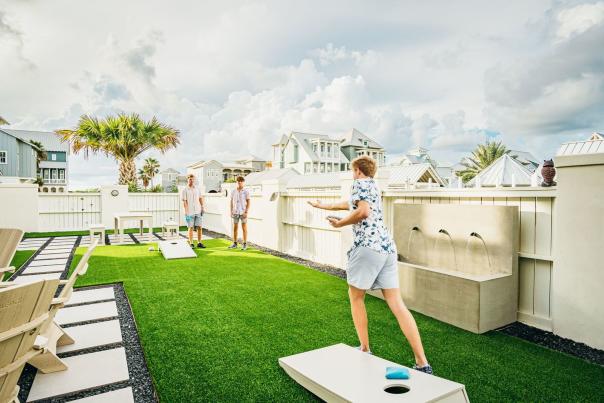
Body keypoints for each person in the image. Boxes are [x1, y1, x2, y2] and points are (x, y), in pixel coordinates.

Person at [307, 156, 432, 374]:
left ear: (357, 170)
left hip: (367, 248)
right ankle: (423, 363)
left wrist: (340, 223)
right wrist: (321, 205)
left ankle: (364, 348)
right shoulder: (374, 185)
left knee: (356, 297)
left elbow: (362, 212)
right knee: (397, 303)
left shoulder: (359, 183)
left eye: (352, 170)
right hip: (387, 249)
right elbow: (350, 204)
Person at [182, 174, 206, 248]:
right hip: (190, 212)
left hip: (198, 211)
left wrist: (202, 207)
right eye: (190, 179)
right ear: (188, 180)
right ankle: (191, 243)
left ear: (194, 180)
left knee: (199, 227)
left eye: (192, 179)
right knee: (190, 227)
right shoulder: (185, 190)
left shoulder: (197, 189)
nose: (191, 180)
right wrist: (186, 212)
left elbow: (200, 198)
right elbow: (185, 201)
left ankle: (199, 243)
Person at [228, 176, 250, 250]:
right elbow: (231, 201)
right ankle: (234, 243)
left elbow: (248, 201)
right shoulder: (233, 191)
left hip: (243, 212)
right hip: (235, 212)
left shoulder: (246, 191)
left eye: (241, 181)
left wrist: (246, 211)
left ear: (243, 182)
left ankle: (244, 244)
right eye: (238, 181)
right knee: (235, 228)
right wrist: (231, 211)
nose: (239, 182)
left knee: (244, 228)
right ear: (236, 182)